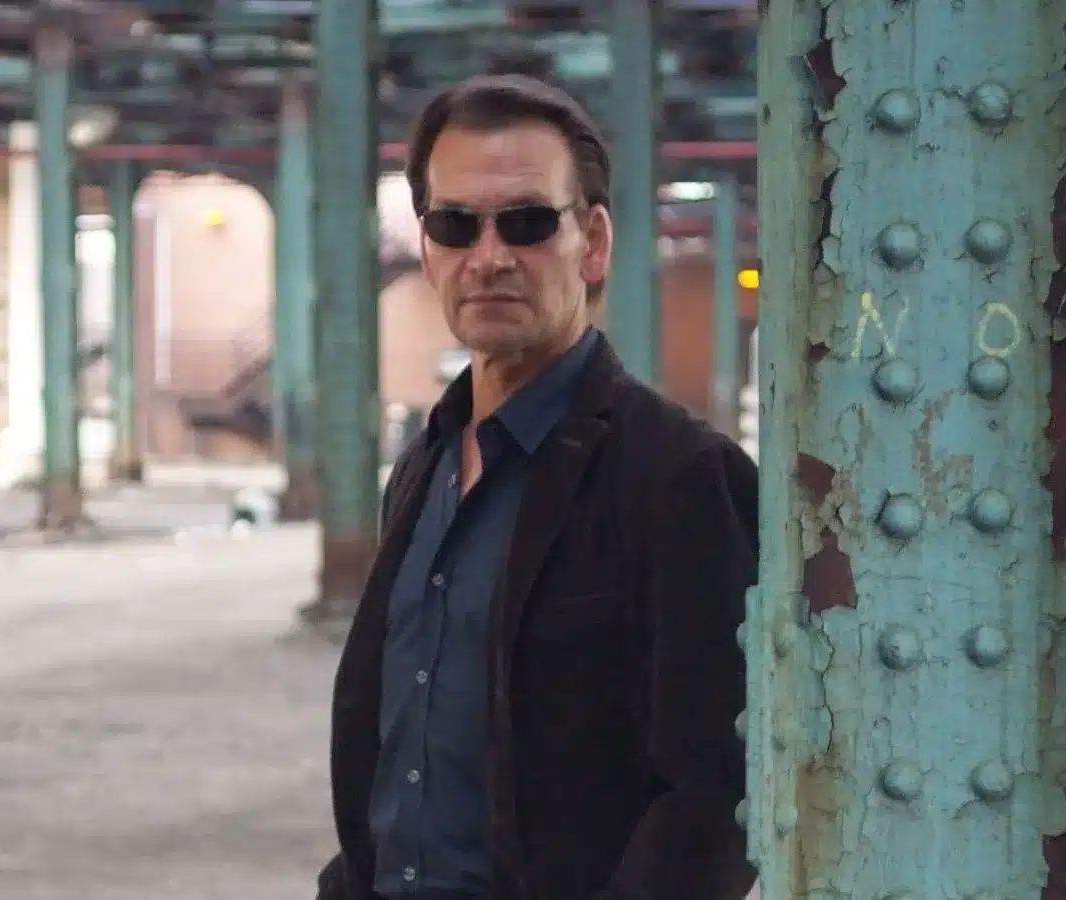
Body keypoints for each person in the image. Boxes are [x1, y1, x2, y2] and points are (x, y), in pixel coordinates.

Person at [315, 74, 760, 900]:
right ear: (427, 249)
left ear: (593, 242)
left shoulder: (682, 476)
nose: (488, 258)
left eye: (526, 223)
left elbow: (715, 796)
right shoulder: (422, 470)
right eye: (455, 225)